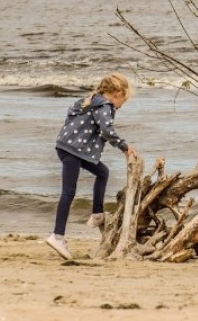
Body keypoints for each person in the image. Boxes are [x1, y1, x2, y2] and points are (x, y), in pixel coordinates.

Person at [45, 72, 138, 260]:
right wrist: (124, 146)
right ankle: (57, 236)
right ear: (117, 94)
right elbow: (107, 130)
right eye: (123, 101)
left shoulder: (89, 100)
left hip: (68, 147)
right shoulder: (104, 105)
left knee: (103, 172)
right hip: (73, 150)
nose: (121, 107)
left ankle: (97, 214)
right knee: (68, 192)